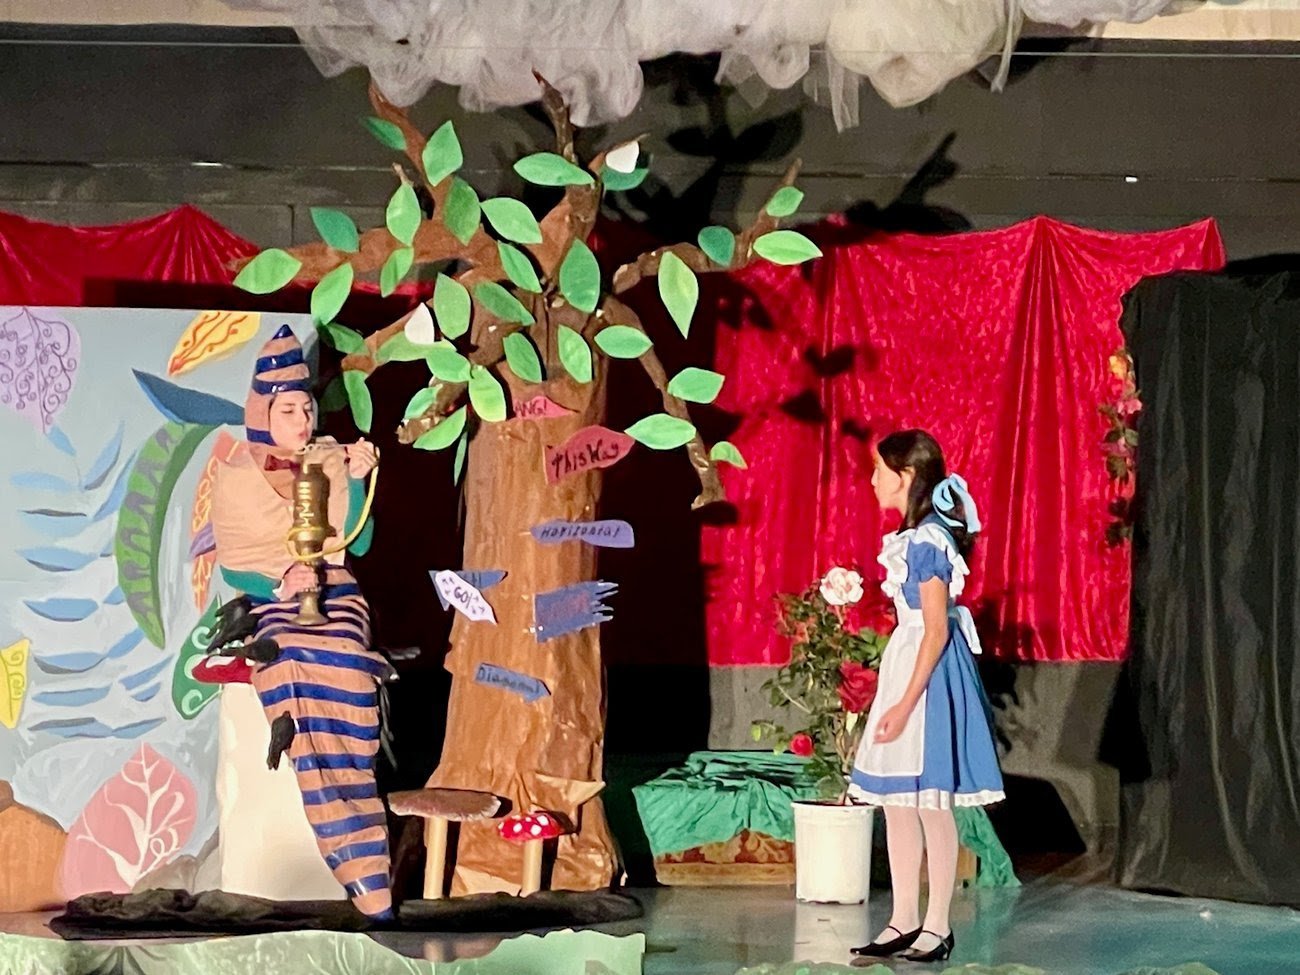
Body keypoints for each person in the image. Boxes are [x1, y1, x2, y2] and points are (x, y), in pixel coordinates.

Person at [209, 325, 395, 920]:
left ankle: (367, 854)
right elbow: (237, 565)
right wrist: (281, 582)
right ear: (264, 411)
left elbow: (356, 547)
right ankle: (348, 850)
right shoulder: (237, 474)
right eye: (288, 408)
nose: (302, 418)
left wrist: (361, 475)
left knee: (345, 651)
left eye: (307, 406)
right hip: (270, 599)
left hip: (334, 589)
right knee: (289, 655)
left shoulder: (330, 458)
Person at [848, 430, 1004, 964]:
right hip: (908, 658)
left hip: (928, 673)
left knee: (931, 803)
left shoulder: (927, 541)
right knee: (898, 803)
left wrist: (903, 703)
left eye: (878, 470)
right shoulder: (913, 537)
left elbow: (935, 630)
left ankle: (937, 925)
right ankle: (904, 919)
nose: (872, 480)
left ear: (905, 476)